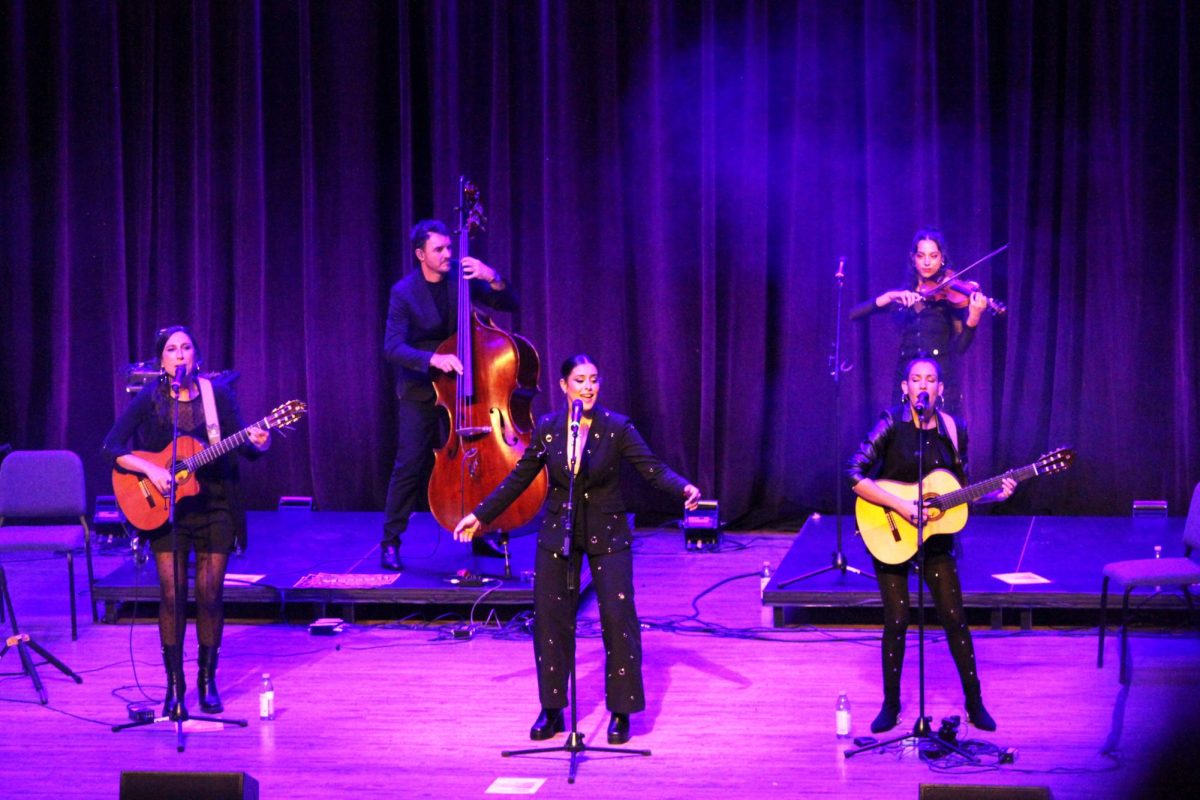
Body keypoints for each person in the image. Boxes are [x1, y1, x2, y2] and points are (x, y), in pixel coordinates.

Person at [453, 354, 701, 745]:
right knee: (551, 620)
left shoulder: (616, 427)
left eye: (594, 380)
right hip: (559, 531)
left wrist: (683, 488)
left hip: (607, 530)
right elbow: (520, 477)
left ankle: (621, 711)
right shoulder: (550, 427)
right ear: (564, 385)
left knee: (618, 618)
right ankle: (551, 710)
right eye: (580, 380)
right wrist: (480, 516)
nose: (588, 387)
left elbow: (651, 468)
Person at [103, 326, 270, 720]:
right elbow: (111, 446)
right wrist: (151, 469)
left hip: (216, 505)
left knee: (210, 596)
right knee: (174, 597)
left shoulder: (219, 396)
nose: (180, 355)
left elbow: (243, 448)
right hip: (167, 509)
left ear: (197, 355)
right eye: (172, 349)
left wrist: (259, 442)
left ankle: (207, 680)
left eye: (187, 347)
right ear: (161, 360)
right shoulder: (151, 398)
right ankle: (174, 686)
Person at [846, 356, 1014, 733]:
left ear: (941, 389)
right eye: (916, 379)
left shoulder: (954, 430)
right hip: (889, 530)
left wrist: (993, 497)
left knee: (955, 618)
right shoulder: (890, 422)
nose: (923, 386)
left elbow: (960, 490)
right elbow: (853, 474)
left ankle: (975, 702)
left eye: (931, 380)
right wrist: (902, 506)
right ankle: (891, 705)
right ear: (904, 388)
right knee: (898, 620)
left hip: (936, 540)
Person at [381, 219, 516, 570]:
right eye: (439, 250)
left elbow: (509, 302)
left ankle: (481, 531)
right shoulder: (404, 292)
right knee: (410, 463)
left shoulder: (463, 275)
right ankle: (390, 541)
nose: (447, 255)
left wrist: (491, 276)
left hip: (466, 384)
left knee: (478, 460)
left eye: (448, 248)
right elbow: (392, 347)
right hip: (422, 385)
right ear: (420, 254)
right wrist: (432, 359)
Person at [850, 228, 994, 410]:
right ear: (913, 258)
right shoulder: (903, 296)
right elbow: (855, 313)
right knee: (903, 436)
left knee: (940, 436)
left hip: (940, 382)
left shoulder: (950, 296)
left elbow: (960, 348)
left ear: (942, 259)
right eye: (921, 256)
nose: (927, 262)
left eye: (933, 256)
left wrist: (973, 318)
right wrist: (889, 296)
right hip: (907, 380)